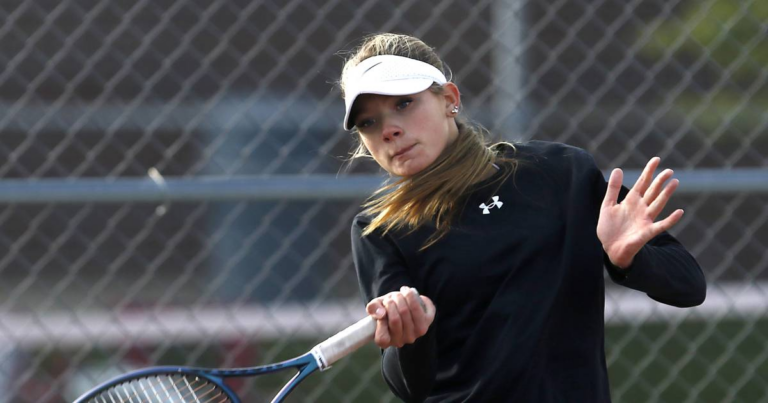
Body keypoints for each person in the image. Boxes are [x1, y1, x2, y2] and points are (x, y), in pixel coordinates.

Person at [339, 33, 706, 402]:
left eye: (404, 104)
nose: (389, 130)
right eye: (369, 123)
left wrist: (629, 258)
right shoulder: (380, 230)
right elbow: (408, 386)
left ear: (449, 99)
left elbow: (689, 287)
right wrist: (410, 333)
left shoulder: (559, 173)